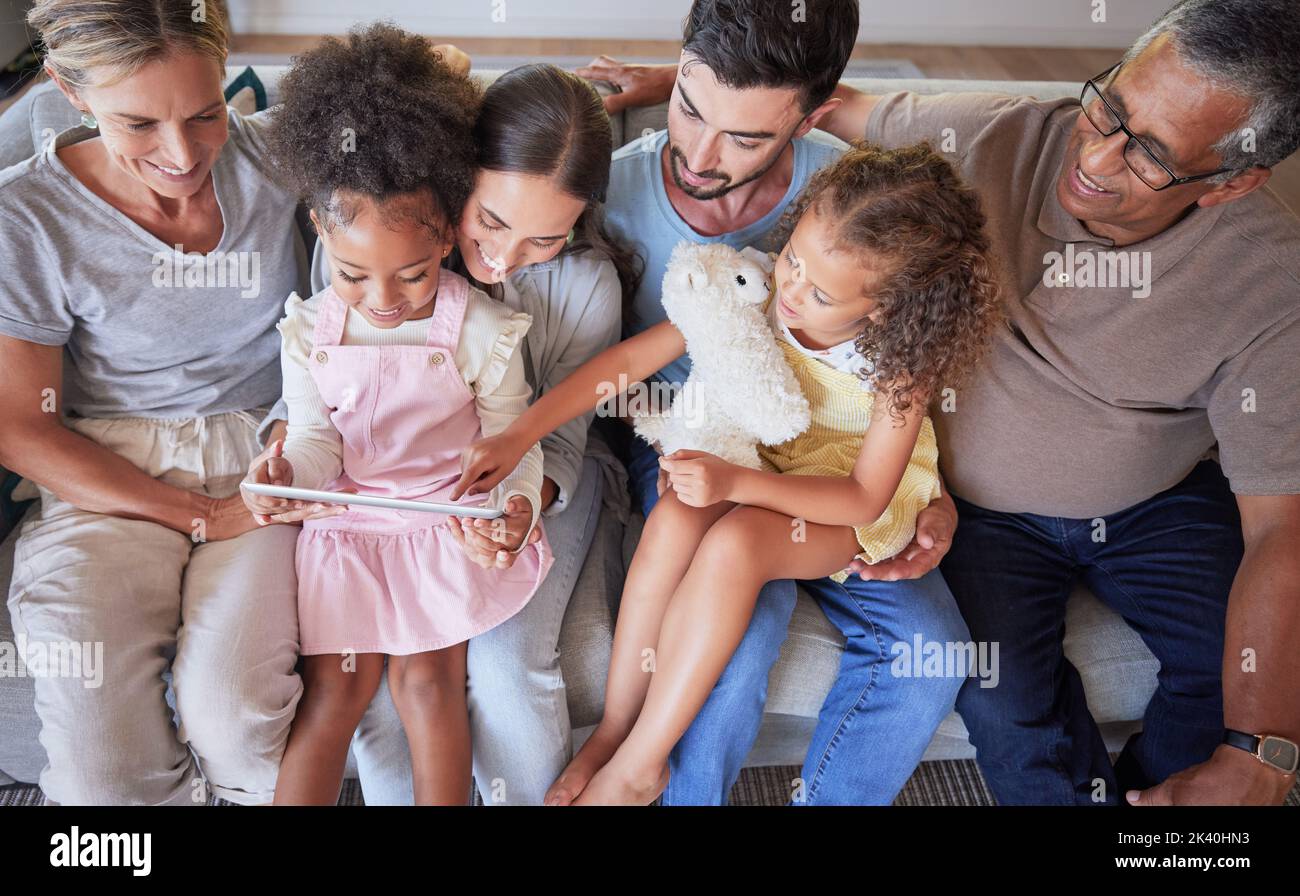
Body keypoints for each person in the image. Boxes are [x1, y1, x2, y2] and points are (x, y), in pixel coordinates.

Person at [607, 0, 1300, 805]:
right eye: (1108, 104)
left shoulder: (1270, 282)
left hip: (1154, 503)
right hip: (976, 515)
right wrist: (688, 89)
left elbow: (1281, 528)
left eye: (1147, 152)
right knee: (1003, 698)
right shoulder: (999, 130)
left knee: (1221, 680)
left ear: (1232, 180)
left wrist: (1260, 755)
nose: (1098, 157)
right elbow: (820, 97)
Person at [458, 141, 1001, 805]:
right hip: (753, 468)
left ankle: (642, 764)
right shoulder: (760, 288)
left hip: (843, 509)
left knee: (737, 542)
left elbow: (863, 498)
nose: (793, 290)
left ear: (883, 308)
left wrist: (736, 485)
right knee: (677, 515)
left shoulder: (898, 369)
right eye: (795, 258)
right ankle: (618, 731)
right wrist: (520, 434)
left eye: (821, 291)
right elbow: (624, 364)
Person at [577, 0, 968, 805]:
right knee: (739, 634)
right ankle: (645, 774)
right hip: (706, 447)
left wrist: (935, 492)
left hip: (834, 482)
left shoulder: (843, 203)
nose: (700, 153)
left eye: (746, 136)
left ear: (814, 116)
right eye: (689, 106)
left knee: (934, 648)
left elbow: (894, 399)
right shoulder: (603, 185)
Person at [0, 0, 308, 805]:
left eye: (206, 113)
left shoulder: (282, 159)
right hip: (108, 475)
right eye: (138, 124)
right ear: (70, 90)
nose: (183, 153)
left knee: (239, 720)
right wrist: (199, 516)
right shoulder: (24, 217)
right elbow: (19, 426)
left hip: (268, 455)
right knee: (103, 777)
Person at [309, 64, 640, 806]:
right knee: (393, 676)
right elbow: (319, 392)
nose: (503, 257)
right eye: (490, 221)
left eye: (543, 238)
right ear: (458, 175)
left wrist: (521, 510)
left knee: (506, 666)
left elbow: (564, 436)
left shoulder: (587, 286)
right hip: (398, 489)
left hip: (551, 475)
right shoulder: (379, 248)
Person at [242, 24, 553, 805]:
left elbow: (512, 439)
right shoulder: (310, 329)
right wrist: (287, 472)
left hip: (439, 523)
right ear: (319, 229)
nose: (383, 301)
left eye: (413, 274)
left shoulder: (479, 329)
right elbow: (315, 440)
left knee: (428, 688)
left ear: (449, 233)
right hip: (347, 524)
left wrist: (509, 501)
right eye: (352, 275)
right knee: (335, 697)